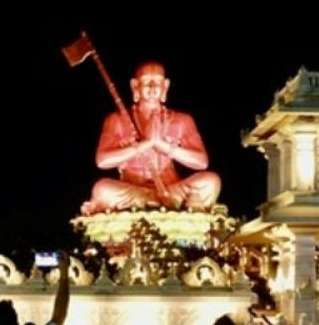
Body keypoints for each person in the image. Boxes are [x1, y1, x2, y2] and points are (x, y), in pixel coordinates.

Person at [82, 61, 221, 215]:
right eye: (147, 81)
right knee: (101, 189)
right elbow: (102, 161)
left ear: (165, 86)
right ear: (135, 86)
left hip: (170, 189)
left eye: (158, 82)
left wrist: (162, 145)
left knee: (211, 181)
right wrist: (145, 144)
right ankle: (156, 202)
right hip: (133, 189)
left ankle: (152, 203)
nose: (153, 87)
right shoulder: (117, 119)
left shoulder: (182, 120)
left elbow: (201, 162)